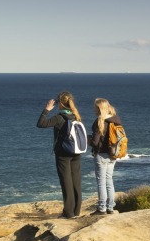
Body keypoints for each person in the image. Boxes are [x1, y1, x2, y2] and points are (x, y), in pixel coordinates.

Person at [36, 91, 83, 219]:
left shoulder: (59, 117)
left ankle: (68, 213)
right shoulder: (75, 115)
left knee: (66, 182)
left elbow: (41, 124)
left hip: (63, 153)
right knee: (76, 181)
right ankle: (76, 211)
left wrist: (46, 110)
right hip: (76, 152)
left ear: (61, 103)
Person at [88, 98, 122, 215]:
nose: (93, 109)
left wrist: (87, 139)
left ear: (99, 108)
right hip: (113, 155)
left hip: (101, 155)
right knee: (109, 180)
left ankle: (102, 208)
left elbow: (95, 142)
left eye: (95, 107)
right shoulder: (115, 119)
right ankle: (110, 207)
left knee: (101, 182)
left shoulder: (100, 121)